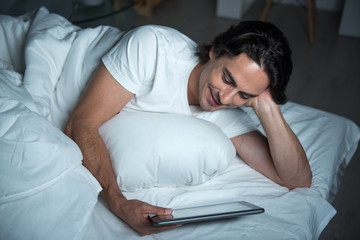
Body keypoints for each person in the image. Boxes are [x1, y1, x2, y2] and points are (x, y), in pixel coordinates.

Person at [64, 20, 312, 236]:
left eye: (244, 95)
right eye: (227, 79)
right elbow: (81, 123)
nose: (225, 98)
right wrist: (119, 203)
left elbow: (296, 180)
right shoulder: (153, 47)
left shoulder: (227, 111)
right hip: (67, 61)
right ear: (215, 52)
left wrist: (267, 106)